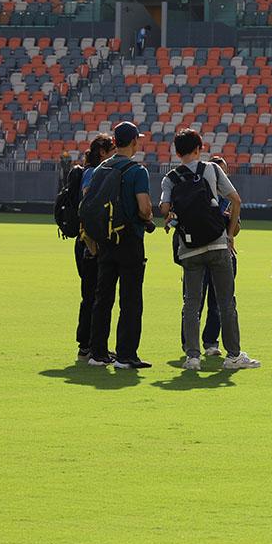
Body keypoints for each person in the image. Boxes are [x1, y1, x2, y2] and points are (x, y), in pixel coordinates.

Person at [160, 131, 258, 370]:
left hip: (189, 247)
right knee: (226, 301)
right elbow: (235, 199)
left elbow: (164, 208)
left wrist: (173, 215)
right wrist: (231, 233)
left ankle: (192, 356)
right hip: (217, 243)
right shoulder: (212, 170)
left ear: (177, 151)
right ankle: (233, 355)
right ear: (199, 147)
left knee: (191, 303)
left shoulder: (170, 178)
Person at [87, 121, 155, 369]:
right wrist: (147, 219)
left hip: (105, 239)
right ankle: (126, 354)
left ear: (115, 142)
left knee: (103, 297)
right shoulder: (137, 171)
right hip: (129, 239)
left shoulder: (101, 169)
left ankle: (98, 352)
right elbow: (144, 207)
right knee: (130, 299)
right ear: (134, 142)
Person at [73, 134, 115, 364]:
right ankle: (89, 346)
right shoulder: (94, 173)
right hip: (90, 242)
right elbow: (89, 207)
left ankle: (89, 345)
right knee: (94, 296)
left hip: (87, 241)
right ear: (102, 152)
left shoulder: (93, 172)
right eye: (112, 149)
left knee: (91, 295)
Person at [193, 155, 237, 357]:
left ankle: (211, 342)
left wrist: (229, 224)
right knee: (195, 300)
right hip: (201, 250)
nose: (224, 176)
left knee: (217, 302)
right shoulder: (197, 195)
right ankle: (190, 343)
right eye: (221, 172)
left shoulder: (228, 200)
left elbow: (235, 230)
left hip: (222, 250)